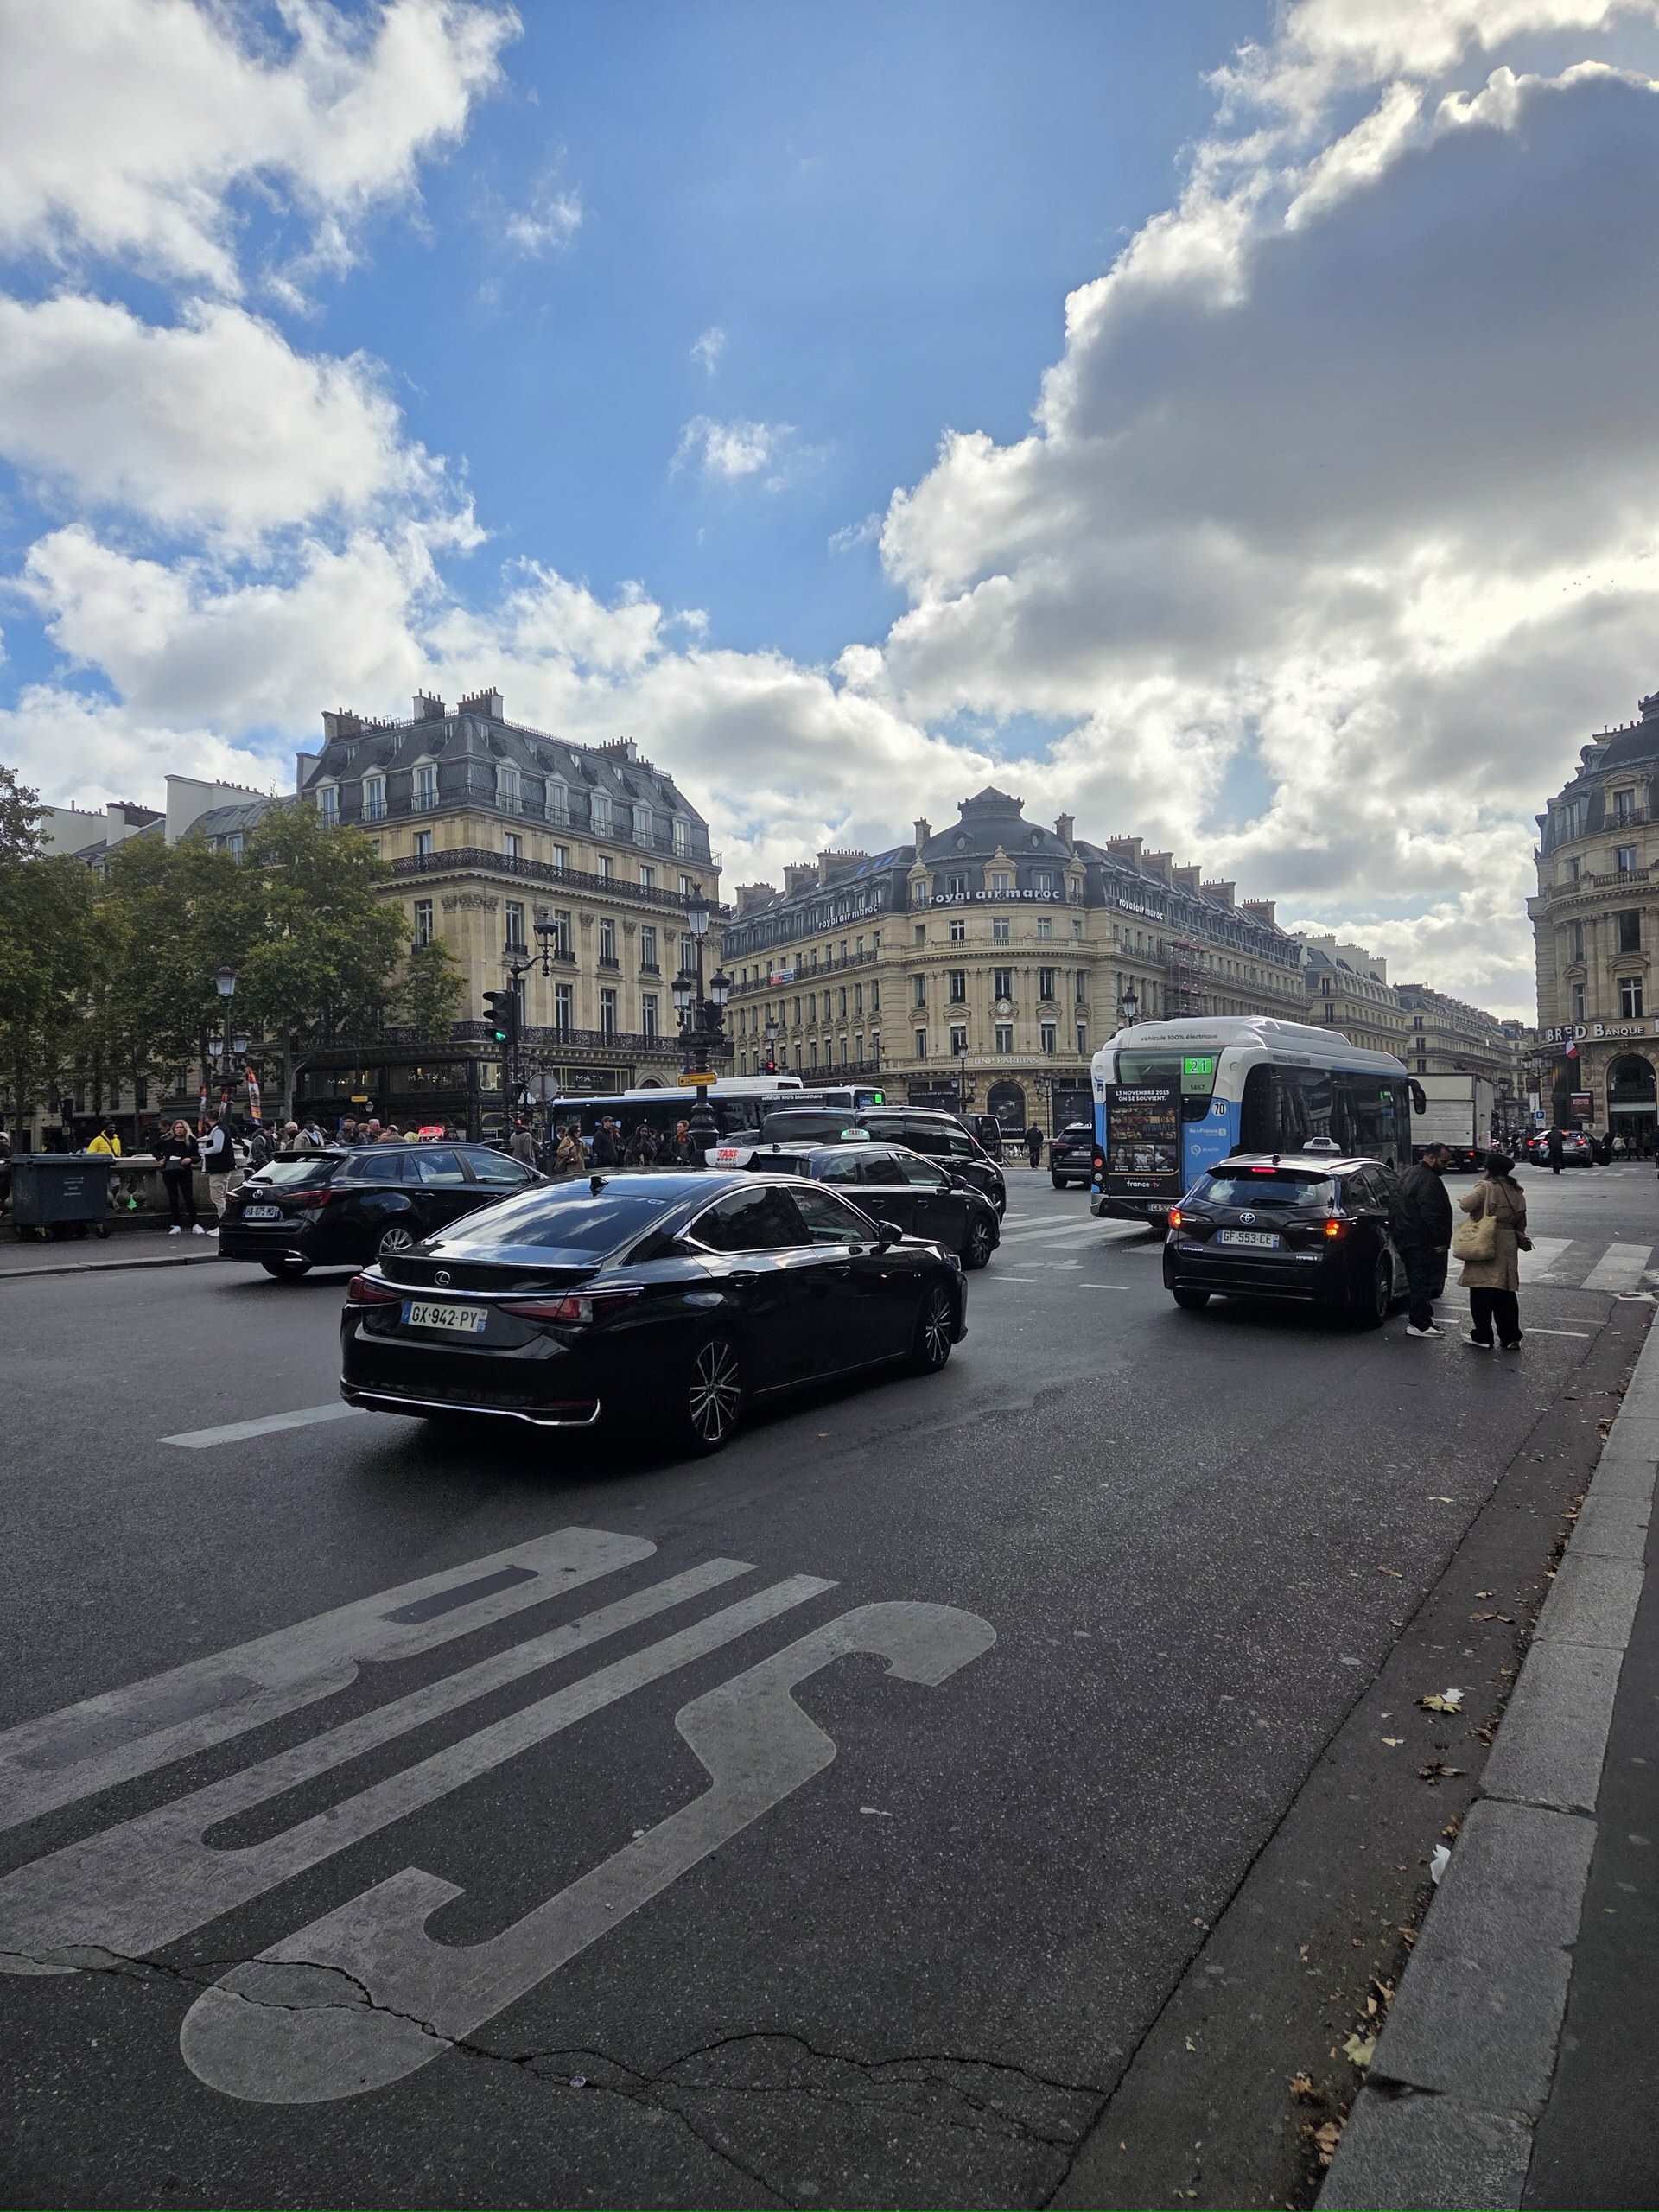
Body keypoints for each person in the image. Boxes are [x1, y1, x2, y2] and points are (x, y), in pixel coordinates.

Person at [1458, 1150, 1531, 1351]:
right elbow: (1522, 1221)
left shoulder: (1485, 1187)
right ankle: (1510, 1337)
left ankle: (1483, 1335)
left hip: (1486, 1239)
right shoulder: (1516, 1190)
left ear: (1489, 1169)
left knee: (1481, 1290)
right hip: (1508, 1243)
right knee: (1505, 1291)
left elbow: (1466, 1205)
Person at [1391, 1143, 1454, 1338]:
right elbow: (1432, 1215)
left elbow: (1394, 1205)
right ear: (1432, 1158)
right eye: (1443, 1162)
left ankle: (1423, 1319)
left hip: (1406, 1237)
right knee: (1421, 1282)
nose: (1445, 1166)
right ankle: (1418, 1323)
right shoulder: (1429, 1181)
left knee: (1417, 1280)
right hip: (1422, 1241)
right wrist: (1439, 1241)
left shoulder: (1410, 1174)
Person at [157, 1119, 201, 1234]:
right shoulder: (166, 1140)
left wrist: (190, 1159)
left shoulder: (191, 1141)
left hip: (185, 1172)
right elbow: (154, 1148)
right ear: (173, 1129)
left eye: (181, 1128)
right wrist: (160, 1158)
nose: (179, 1130)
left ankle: (195, 1223)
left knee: (188, 1198)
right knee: (173, 1198)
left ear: (185, 1129)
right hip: (169, 1172)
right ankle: (175, 1224)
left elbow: (198, 1156)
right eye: (177, 1128)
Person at [198, 1115, 238, 1233]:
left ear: (208, 1119)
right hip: (222, 1167)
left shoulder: (218, 1130)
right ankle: (223, 1224)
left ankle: (224, 1225)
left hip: (219, 1168)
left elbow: (217, 1148)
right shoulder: (220, 1129)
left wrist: (203, 1151)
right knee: (221, 1196)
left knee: (217, 1196)